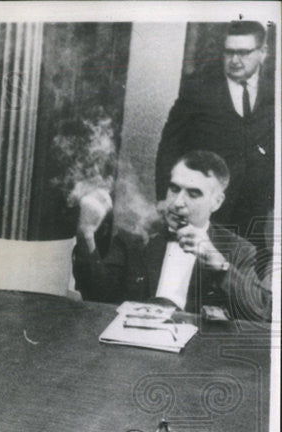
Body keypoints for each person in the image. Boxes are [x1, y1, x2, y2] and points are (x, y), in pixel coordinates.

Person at [73, 150, 270, 322]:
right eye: (174, 189)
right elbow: (96, 296)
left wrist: (220, 266)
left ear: (216, 202)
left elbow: (260, 314)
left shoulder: (237, 249)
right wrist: (86, 233)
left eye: (193, 194)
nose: (177, 202)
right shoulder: (135, 236)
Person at [156, 21, 274, 257]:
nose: (235, 60)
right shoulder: (197, 91)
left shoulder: (274, 93)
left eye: (244, 52)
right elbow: (169, 149)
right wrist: (164, 201)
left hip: (254, 215)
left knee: (242, 283)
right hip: (204, 213)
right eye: (229, 52)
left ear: (262, 53)